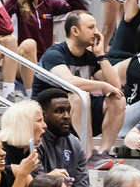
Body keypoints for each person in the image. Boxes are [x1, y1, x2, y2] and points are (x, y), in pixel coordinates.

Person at [33, 9, 124, 169]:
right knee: (78, 95)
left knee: (118, 99)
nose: (96, 32)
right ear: (75, 31)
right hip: (48, 113)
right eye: (91, 27)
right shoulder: (54, 54)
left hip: (78, 113)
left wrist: (101, 55)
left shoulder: (89, 56)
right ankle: (89, 155)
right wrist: (102, 85)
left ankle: (102, 154)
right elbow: (69, 81)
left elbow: (116, 85)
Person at [3, 0, 84, 95]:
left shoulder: (49, 5)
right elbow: (3, 15)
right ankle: (32, 95)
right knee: (30, 44)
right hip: (21, 62)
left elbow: (81, 13)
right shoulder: (16, 4)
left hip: (44, 63)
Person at [35, 88, 109, 187]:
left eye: (68, 111)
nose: (67, 116)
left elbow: (82, 186)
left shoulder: (74, 142)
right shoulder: (37, 142)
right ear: (44, 115)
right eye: (59, 111)